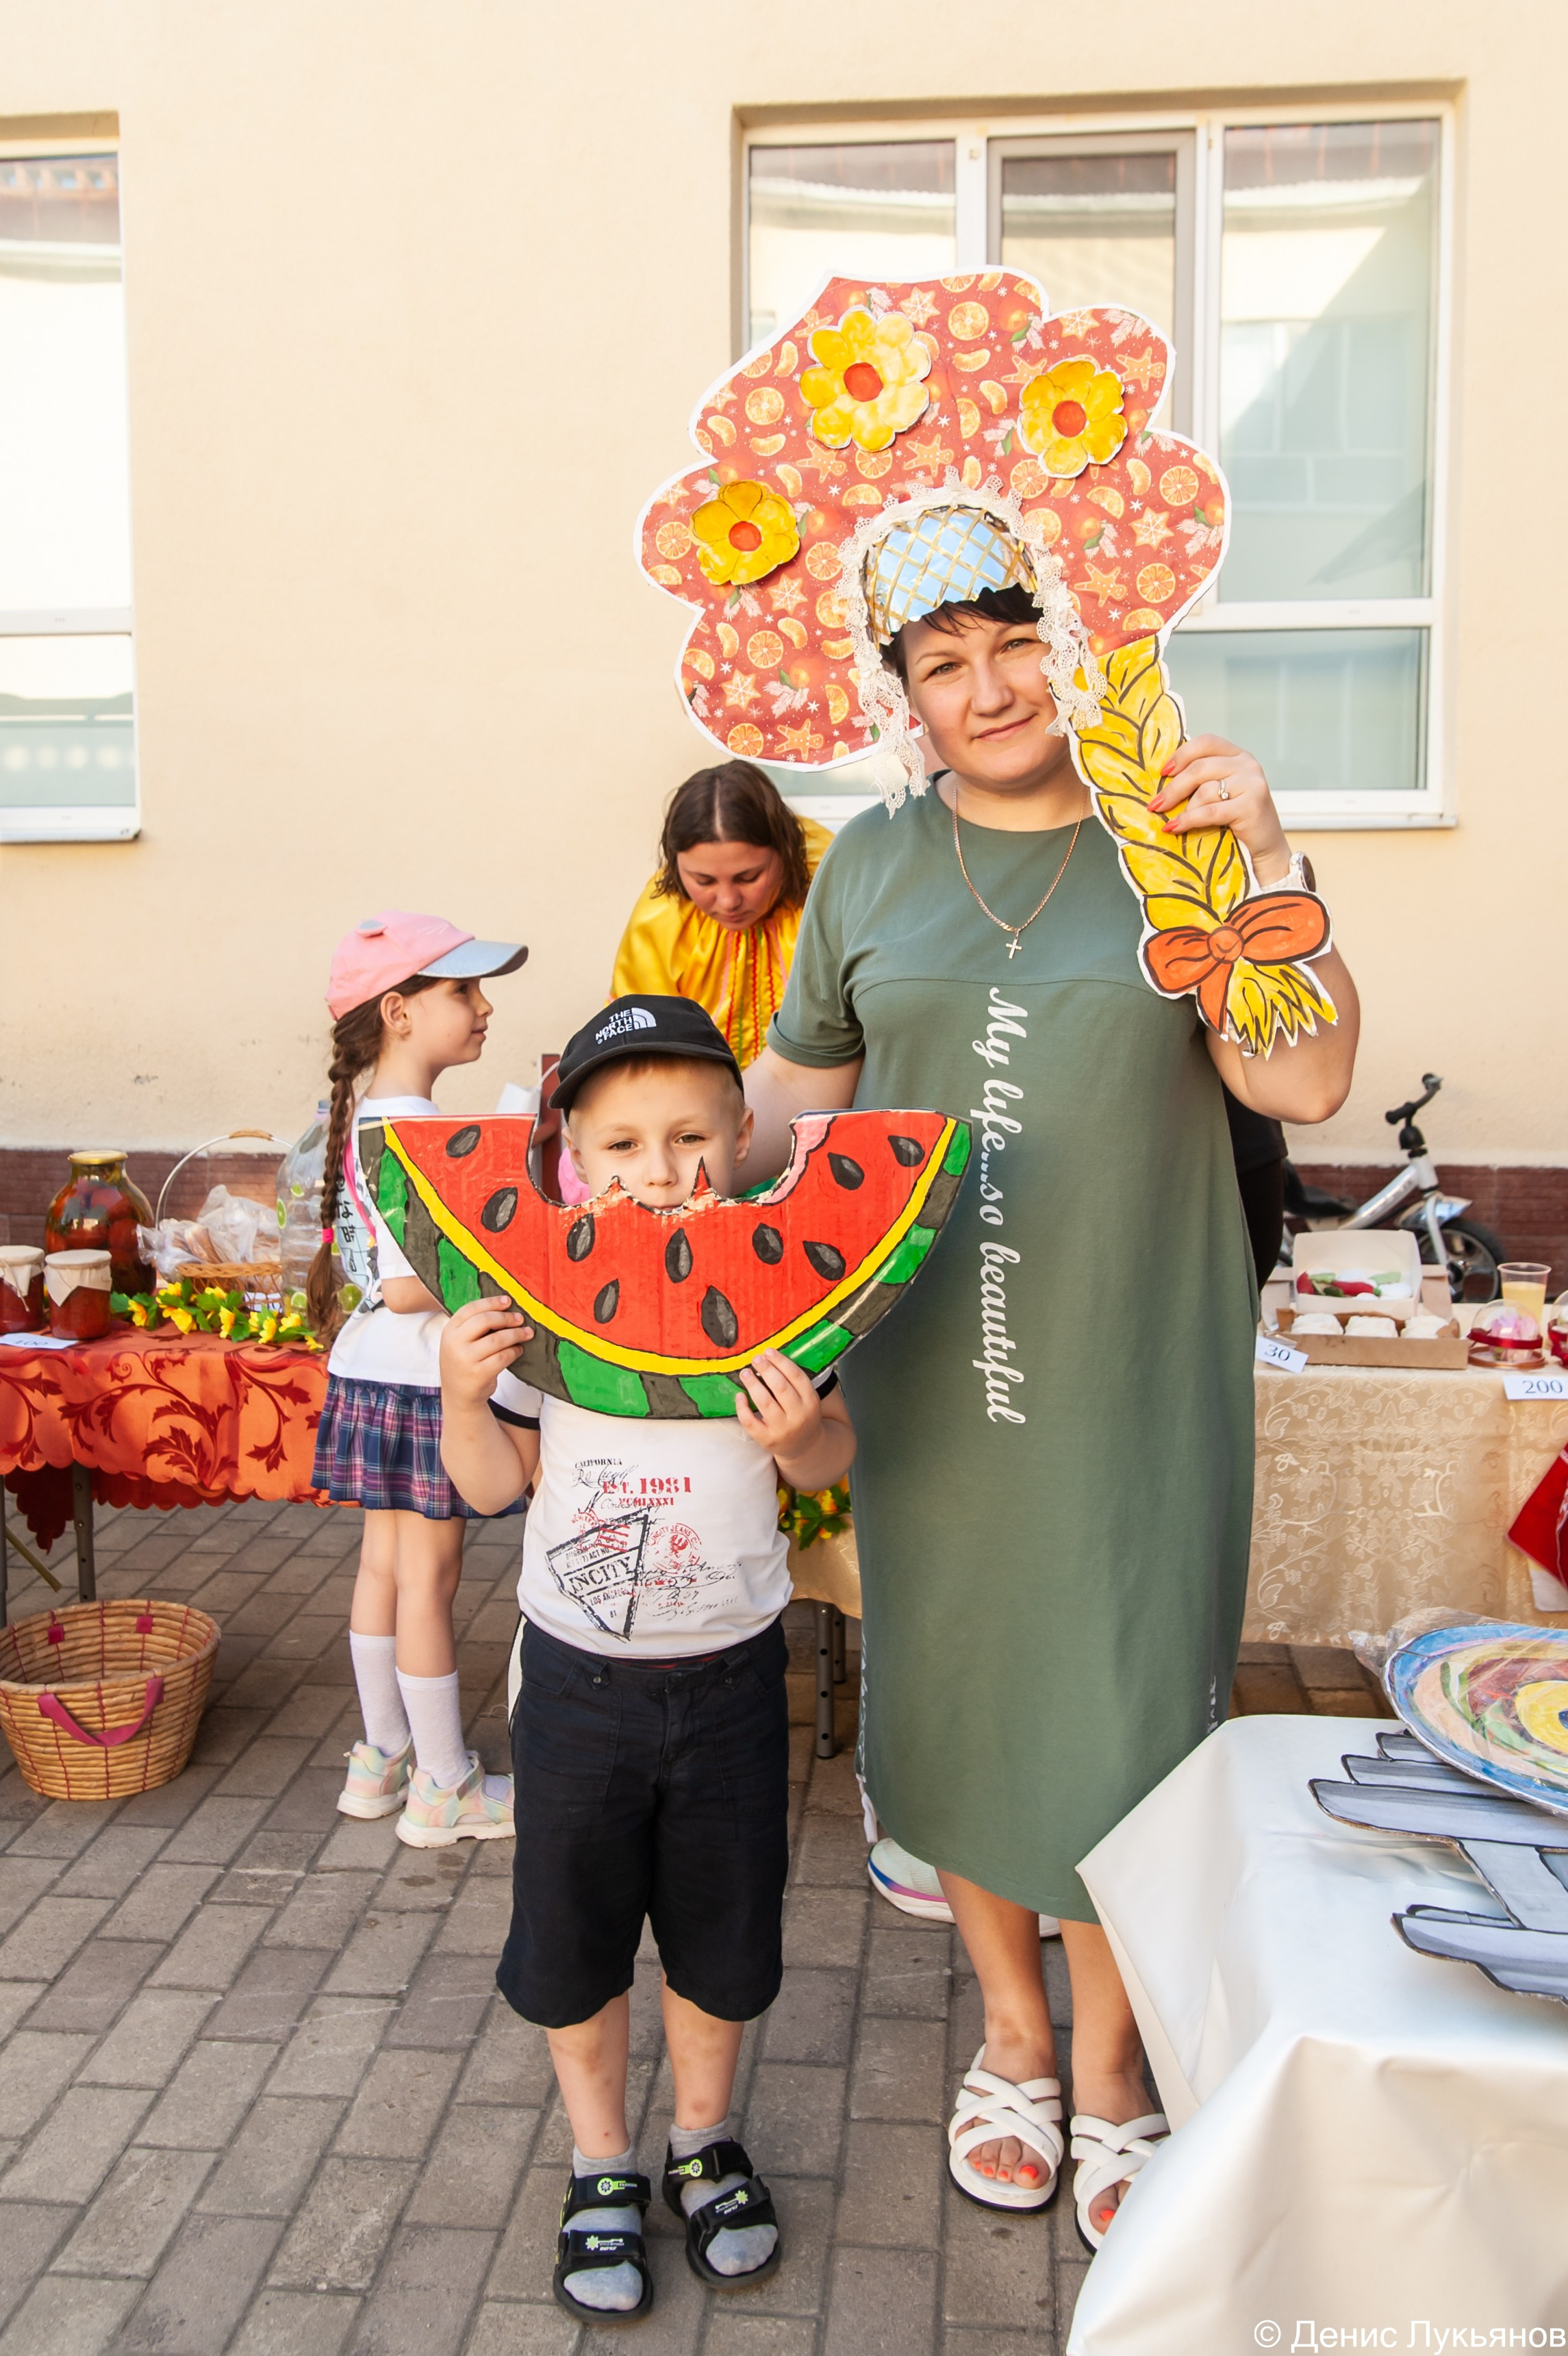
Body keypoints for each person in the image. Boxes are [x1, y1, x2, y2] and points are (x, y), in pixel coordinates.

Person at [746, 571, 1360, 2246]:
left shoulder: (1173, 838)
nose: (992, 686)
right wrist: (618, 1172)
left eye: (1018, 646)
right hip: (930, 1366)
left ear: (1074, 653)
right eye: (945, 663)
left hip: (1136, 1364)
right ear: (907, 695)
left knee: (1130, 1706)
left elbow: (1298, 1081)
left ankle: (1111, 2063)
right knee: (953, 1695)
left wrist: (1274, 854)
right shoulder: (868, 862)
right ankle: (1010, 2033)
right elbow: (788, 1109)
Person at [437, 995, 857, 2325]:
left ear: (742, 1137)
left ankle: (703, 2135)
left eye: (690, 1136)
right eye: (622, 1144)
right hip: (575, 1692)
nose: (660, 1171)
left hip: (733, 1685)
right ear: (572, 1158)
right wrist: (459, 1390)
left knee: (720, 1944)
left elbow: (837, 1454)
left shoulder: (785, 1303)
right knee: (572, 1944)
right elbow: (492, 1481)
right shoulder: (542, 1315)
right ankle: (599, 2157)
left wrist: (799, 1438)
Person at [307, 911, 527, 1847]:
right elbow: (406, 1285)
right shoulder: (421, 1131)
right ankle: (443, 1786)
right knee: (429, 1579)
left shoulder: (368, 1112)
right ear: (397, 1011)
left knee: (385, 1569)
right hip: (419, 1375)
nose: (483, 1009)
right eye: (463, 992)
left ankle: (381, 1756)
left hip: (368, 1371)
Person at [611, 760, 833, 1068]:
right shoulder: (660, 917)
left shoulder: (832, 885)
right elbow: (642, 1047)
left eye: (749, 877)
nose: (729, 902)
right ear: (675, 866)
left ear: (786, 850)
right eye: (703, 881)